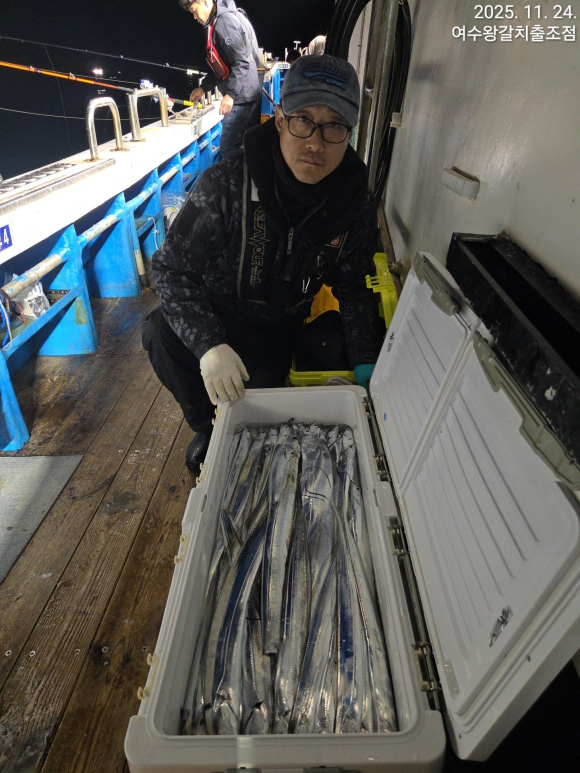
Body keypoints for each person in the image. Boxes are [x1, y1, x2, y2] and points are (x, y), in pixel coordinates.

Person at [143, 54, 381, 468]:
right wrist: (208, 344)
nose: (316, 142)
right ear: (280, 119)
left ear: (350, 133)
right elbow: (169, 269)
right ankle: (206, 427)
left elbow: (356, 287)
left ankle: (237, 413)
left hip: (279, 329)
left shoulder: (354, 203)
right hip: (217, 312)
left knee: (263, 402)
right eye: (304, 119)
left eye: (334, 126)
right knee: (158, 331)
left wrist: (366, 368)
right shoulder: (226, 183)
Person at [181, 0, 262, 158]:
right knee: (246, 145)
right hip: (244, 92)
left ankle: (237, 175)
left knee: (228, 148)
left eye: (194, 10)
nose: (194, 17)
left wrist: (230, 94)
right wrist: (203, 88)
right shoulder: (217, 21)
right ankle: (245, 172)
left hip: (242, 97)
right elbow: (222, 66)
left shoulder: (224, 23)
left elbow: (241, 62)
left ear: (205, 2)